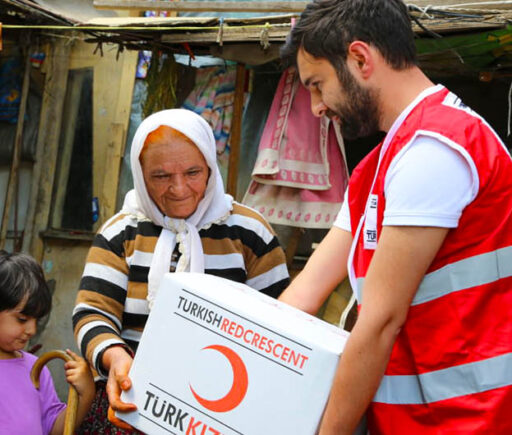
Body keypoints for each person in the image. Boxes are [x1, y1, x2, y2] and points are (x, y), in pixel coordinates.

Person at [278, 1, 512, 434]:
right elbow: (303, 297)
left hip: (469, 420)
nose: (315, 107)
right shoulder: (378, 166)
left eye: (317, 84)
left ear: (360, 59)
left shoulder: (437, 149)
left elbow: (381, 321)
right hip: (413, 420)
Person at [72, 108, 291, 433]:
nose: (179, 188)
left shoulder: (249, 233)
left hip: (223, 410)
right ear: (140, 172)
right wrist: (116, 358)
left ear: (210, 169)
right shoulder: (122, 233)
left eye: (192, 172)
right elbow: (92, 313)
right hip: (132, 404)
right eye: (160, 176)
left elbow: (281, 322)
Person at [0, 250, 95, 434]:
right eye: (22, 320)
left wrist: (86, 393)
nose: (32, 330)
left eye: (36, 320)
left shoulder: (36, 367)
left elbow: (55, 429)